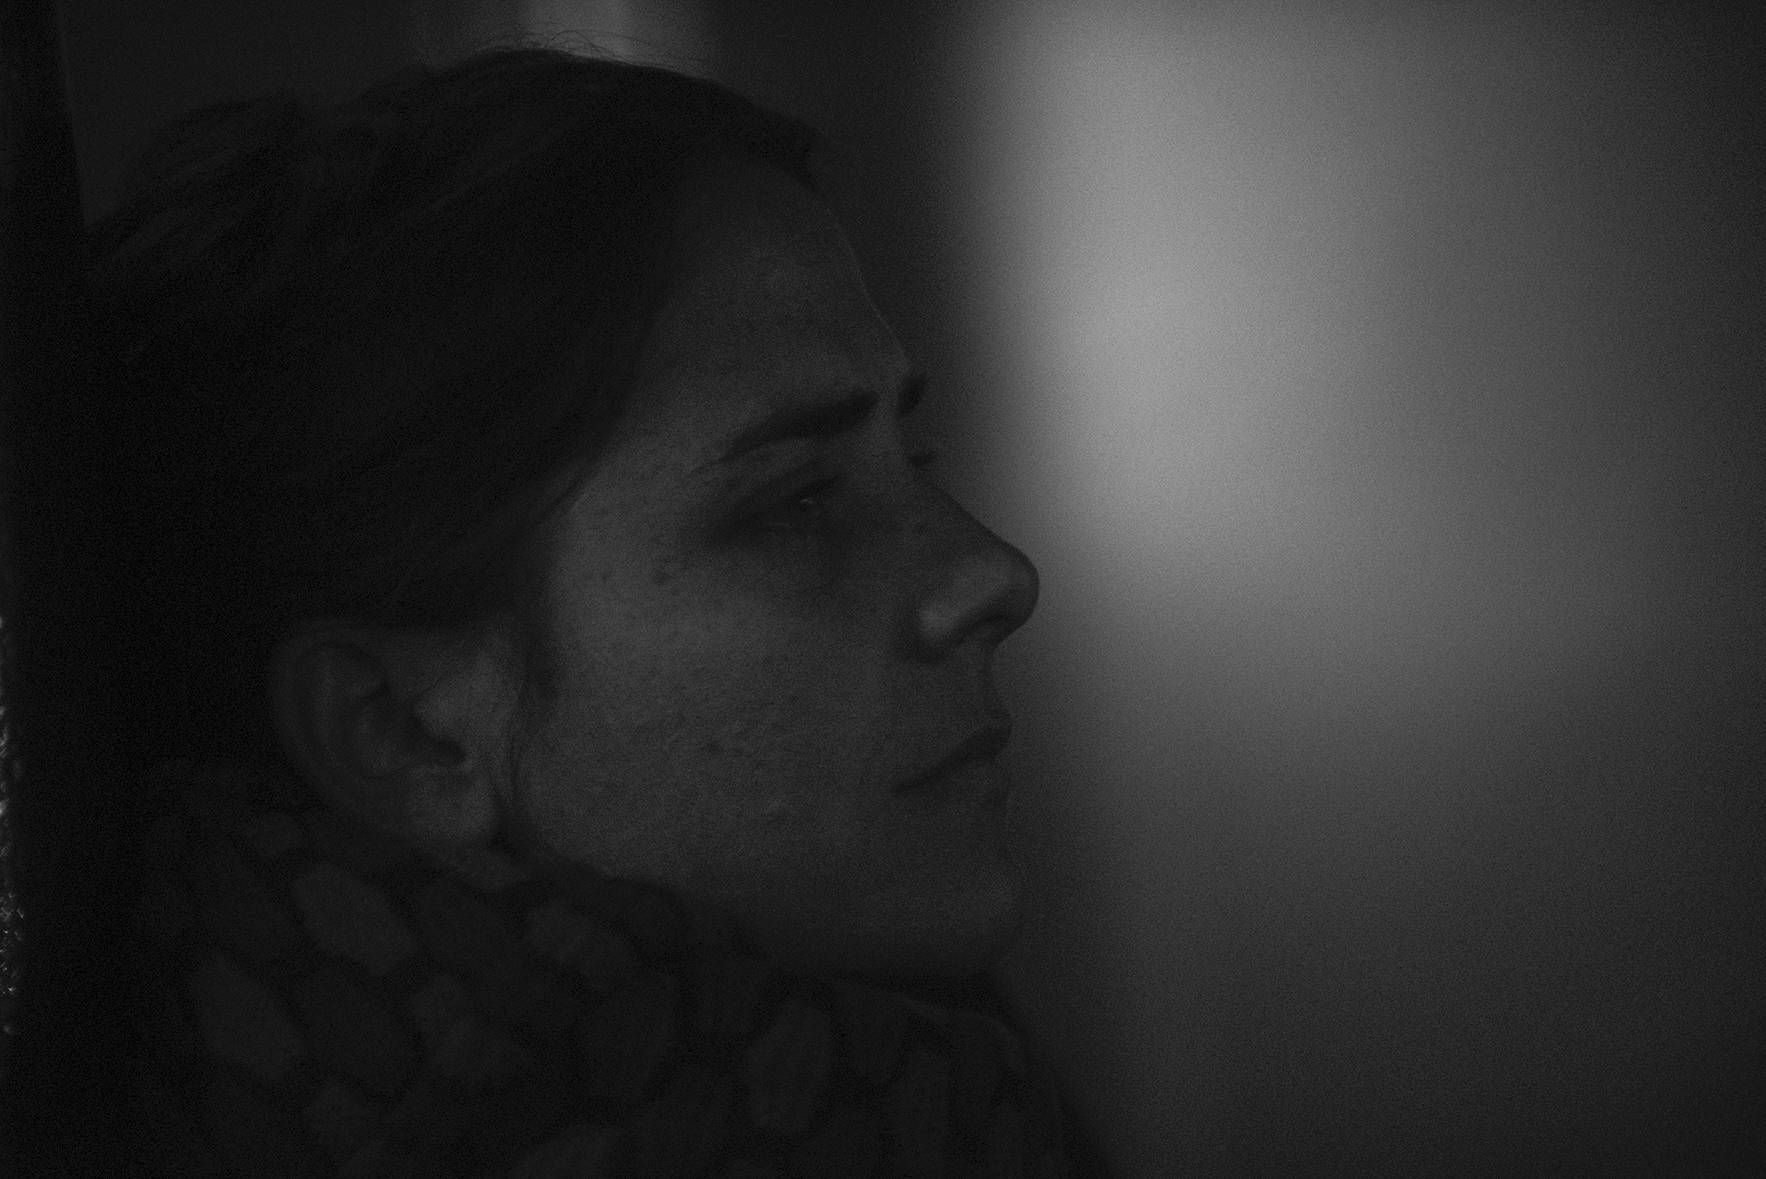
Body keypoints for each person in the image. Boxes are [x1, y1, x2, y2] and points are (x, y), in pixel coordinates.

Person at [22, 47, 1098, 1175]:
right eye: (797, 503)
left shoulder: (920, 1083)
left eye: (914, 459)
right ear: (404, 730)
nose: (993, 574)